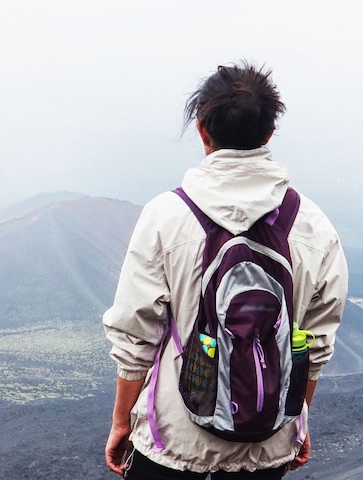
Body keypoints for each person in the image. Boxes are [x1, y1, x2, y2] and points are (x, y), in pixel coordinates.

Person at [101, 61, 348, 479]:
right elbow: (316, 343)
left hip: (174, 443)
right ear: (269, 133)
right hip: (267, 446)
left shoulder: (166, 216)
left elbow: (135, 333)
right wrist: (298, 418)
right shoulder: (312, 223)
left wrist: (122, 422)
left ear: (202, 130)